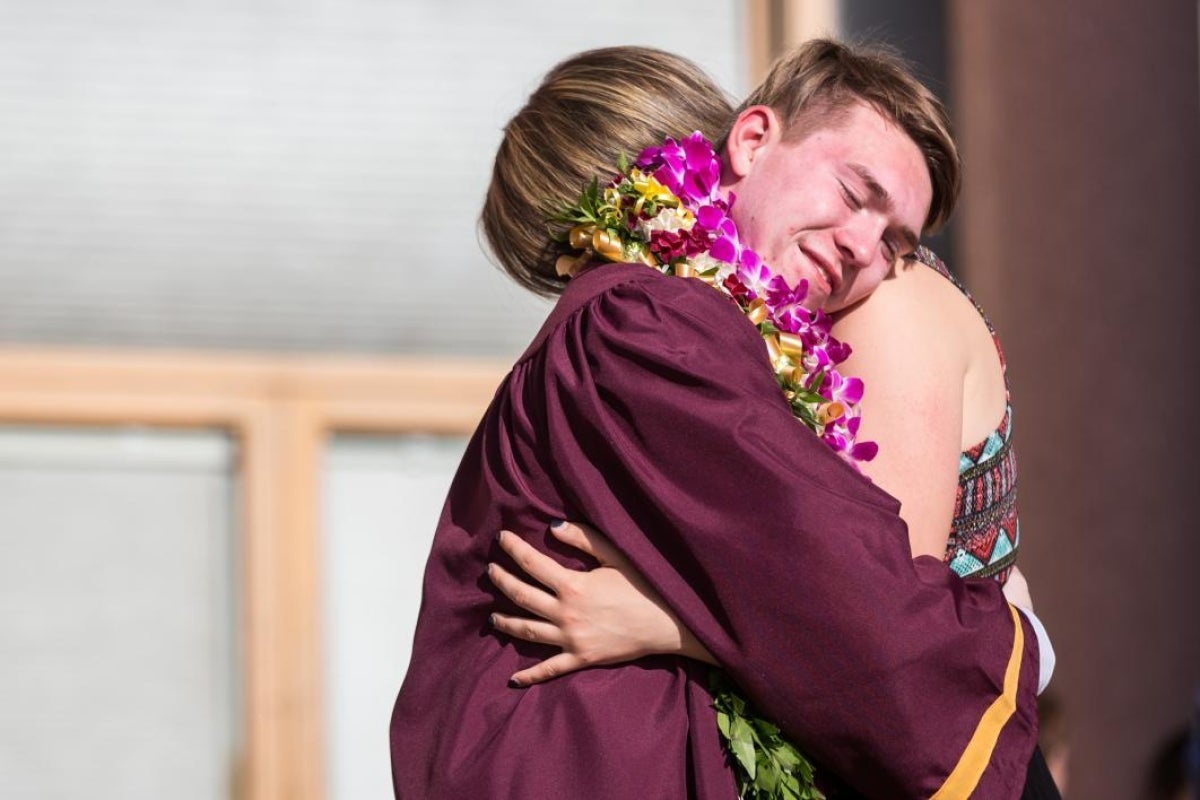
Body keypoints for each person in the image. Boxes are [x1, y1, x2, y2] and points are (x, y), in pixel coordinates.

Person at [390, 43, 1044, 799]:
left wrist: (667, 623)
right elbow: (844, 590)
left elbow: (806, 579)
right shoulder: (639, 322)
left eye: (899, 243)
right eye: (854, 191)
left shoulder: (678, 320)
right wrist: (1019, 646)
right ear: (747, 141)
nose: (866, 247)